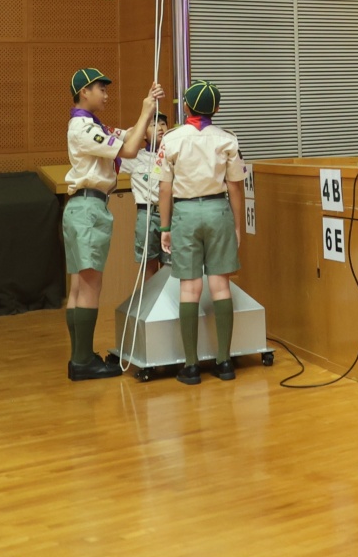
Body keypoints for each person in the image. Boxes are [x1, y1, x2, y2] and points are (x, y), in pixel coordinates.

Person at [63, 69, 162, 380]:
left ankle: (80, 357)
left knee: (78, 286)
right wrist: (146, 110)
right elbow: (129, 150)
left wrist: (146, 118)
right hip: (88, 209)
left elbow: (128, 135)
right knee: (90, 285)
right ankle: (82, 362)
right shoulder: (83, 127)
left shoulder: (93, 125)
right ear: (84, 92)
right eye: (100, 89)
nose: (106, 95)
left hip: (82, 208)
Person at [156, 80, 248, 385]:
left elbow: (164, 187)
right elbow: (236, 187)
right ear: (217, 109)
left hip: (184, 214)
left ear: (185, 107)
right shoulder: (227, 139)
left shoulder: (171, 139)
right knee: (220, 286)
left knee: (190, 289)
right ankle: (224, 362)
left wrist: (165, 227)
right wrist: (237, 225)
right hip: (218, 211)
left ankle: (192, 365)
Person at [126, 112, 170, 282]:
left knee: (170, 264)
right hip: (147, 214)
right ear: (143, 133)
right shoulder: (133, 157)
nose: (160, 128)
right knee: (148, 264)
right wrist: (135, 131)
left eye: (163, 124)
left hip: (171, 214)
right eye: (153, 124)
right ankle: (150, 298)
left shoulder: (174, 155)